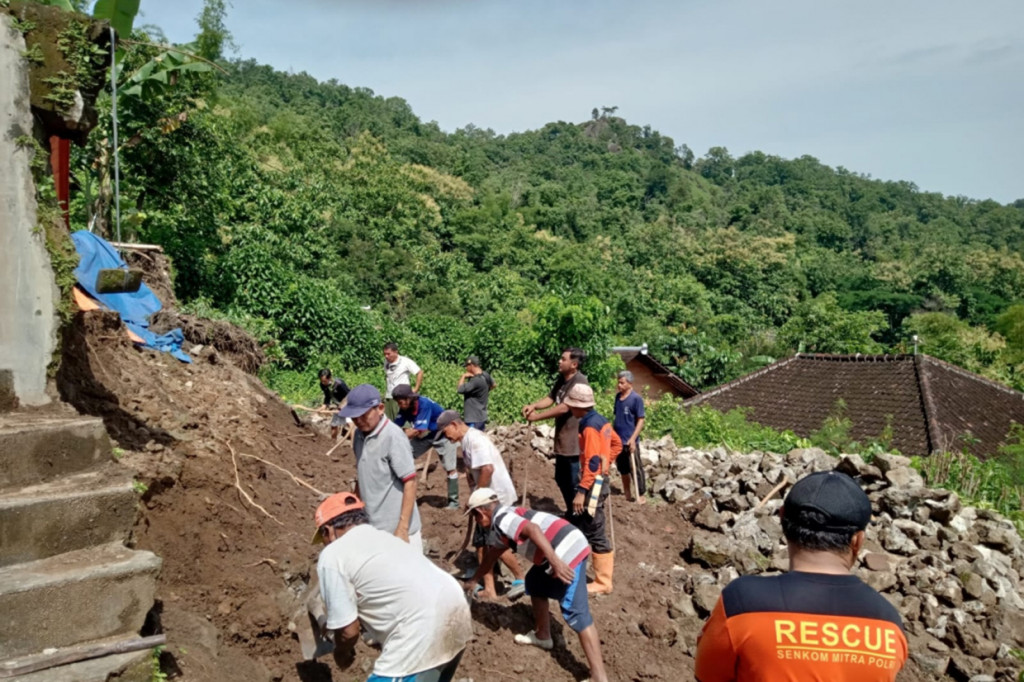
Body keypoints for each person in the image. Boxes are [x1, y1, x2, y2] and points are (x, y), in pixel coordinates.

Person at [694, 471, 909, 682]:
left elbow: (707, 675)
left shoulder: (742, 604)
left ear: (782, 520)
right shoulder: (889, 623)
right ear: (858, 540)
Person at [313, 491, 472, 681]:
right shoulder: (384, 538)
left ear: (328, 531)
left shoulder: (333, 555)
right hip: (457, 612)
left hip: (422, 630)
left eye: (323, 539)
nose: (324, 544)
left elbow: (349, 631)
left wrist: (341, 652)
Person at [465, 488, 609, 682]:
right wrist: (474, 580)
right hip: (564, 547)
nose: (475, 521)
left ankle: (599, 677)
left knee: (576, 612)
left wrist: (556, 562)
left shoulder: (502, 519)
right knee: (535, 582)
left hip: (569, 550)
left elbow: (532, 529)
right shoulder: (501, 526)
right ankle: (543, 636)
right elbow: (491, 557)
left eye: (474, 516)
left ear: (481, 512)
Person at [436, 410, 525, 600]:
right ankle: (490, 589)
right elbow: (476, 471)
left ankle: (521, 578)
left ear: (454, 425)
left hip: (495, 500)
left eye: (445, 432)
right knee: (481, 543)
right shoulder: (466, 442)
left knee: (496, 542)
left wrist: (476, 497)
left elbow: (487, 469)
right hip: (486, 500)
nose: (446, 437)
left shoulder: (475, 440)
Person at [336, 384, 423, 552]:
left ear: (381, 408)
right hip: (373, 530)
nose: (358, 421)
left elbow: (410, 482)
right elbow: (363, 475)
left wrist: (402, 528)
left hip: (398, 532)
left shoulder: (393, 436)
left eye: (363, 415)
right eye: (354, 417)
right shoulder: (359, 436)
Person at [564, 383, 620, 595]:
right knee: (583, 523)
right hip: (598, 479)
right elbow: (617, 444)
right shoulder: (601, 420)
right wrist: (607, 463)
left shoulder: (588, 426)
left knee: (594, 528)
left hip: (593, 485)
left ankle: (603, 582)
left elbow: (593, 461)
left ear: (578, 406)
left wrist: (581, 491)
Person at [521, 347, 589, 511]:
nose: (559, 361)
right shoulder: (562, 379)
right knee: (561, 478)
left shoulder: (579, 382)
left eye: (563, 359)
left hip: (574, 442)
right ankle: (571, 511)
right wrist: (534, 405)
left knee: (573, 481)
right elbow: (551, 398)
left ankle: (580, 516)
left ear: (573, 364)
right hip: (563, 439)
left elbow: (564, 407)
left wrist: (537, 417)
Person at [392, 385, 460, 509]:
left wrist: (397, 438)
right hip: (427, 434)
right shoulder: (404, 408)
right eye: (397, 402)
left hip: (444, 434)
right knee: (404, 455)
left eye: (400, 402)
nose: (399, 405)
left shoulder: (424, 405)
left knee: (450, 468)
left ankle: (453, 502)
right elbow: (394, 426)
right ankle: (401, 494)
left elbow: (417, 431)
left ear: (408, 399)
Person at [613, 370, 646, 503]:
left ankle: (640, 494)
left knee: (636, 468)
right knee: (623, 468)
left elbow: (640, 420)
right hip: (618, 440)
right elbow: (617, 417)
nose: (619, 385)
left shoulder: (636, 399)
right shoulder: (618, 397)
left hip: (630, 440)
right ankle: (627, 492)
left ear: (630, 383)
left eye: (622, 383)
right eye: (618, 383)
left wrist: (632, 439)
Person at [383, 342, 423, 420]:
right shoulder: (386, 362)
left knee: (402, 420)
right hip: (389, 396)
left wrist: (416, 389)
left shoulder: (405, 361)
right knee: (390, 421)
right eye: (385, 354)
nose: (386, 356)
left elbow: (419, 372)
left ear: (395, 352)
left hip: (401, 397)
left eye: (388, 354)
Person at [457, 356, 495, 429]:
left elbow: (459, 389)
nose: (466, 369)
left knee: (472, 436)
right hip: (481, 417)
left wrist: (463, 376)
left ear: (471, 365)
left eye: (467, 366)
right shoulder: (485, 375)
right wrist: (483, 391)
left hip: (473, 419)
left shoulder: (475, 381)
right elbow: (493, 385)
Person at [319, 369, 353, 441]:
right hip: (339, 406)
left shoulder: (339, 384)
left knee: (350, 425)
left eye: (325, 381)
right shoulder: (323, 385)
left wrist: (342, 406)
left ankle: (353, 444)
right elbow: (327, 396)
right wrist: (324, 406)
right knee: (334, 425)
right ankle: (333, 442)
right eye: (321, 381)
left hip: (348, 406)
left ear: (330, 378)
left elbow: (349, 395)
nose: (323, 383)